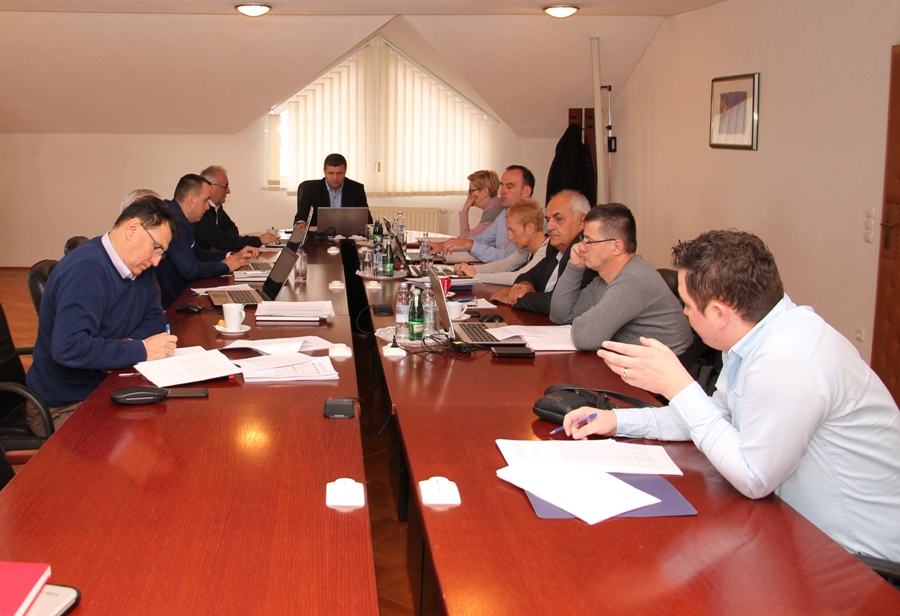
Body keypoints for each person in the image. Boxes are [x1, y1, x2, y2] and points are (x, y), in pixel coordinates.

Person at [563, 230, 900, 562]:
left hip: (857, 559)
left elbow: (754, 478)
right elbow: (715, 416)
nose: (684, 314)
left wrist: (678, 387)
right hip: (797, 529)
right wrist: (617, 421)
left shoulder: (787, 357)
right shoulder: (755, 336)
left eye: (687, 305)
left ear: (719, 315)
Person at [25, 195, 179, 435]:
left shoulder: (139, 267)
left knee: (171, 426)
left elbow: (155, 320)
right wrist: (138, 350)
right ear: (133, 228)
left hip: (106, 388)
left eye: (162, 253)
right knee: (145, 442)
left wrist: (122, 349)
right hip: (65, 405)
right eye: (156, 248)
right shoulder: (86, 270)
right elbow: (68, 347)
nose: (156, 261)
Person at [549, 203, 692, 353]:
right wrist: (575, 266)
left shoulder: (633, 280)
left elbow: (584, 337)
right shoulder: (604, 280)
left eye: (589, 241)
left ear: (617, 247)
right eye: (582, 239)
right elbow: (560, 315)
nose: (581, 247)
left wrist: (587, 321)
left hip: (668, 365)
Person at [156, 174, 256, 308]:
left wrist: (232, 256)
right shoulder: (172, 222)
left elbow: (197, 253)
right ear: (191, 200)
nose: (208, 207)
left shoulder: (181, 217)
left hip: (184, 293)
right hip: (175, 304)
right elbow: (191, 270)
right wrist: (226, 266)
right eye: (205, 201)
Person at [491, 190, 594, 314]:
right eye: (548, 220)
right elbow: (529, 275)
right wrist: (525, 285)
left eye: (558, 219)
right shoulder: (554, 248)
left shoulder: (589, 254)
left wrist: (518, 298)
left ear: (581, 222)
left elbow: (559, 302)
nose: (549, 227)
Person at [439, 165, 534, 263]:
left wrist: (469, 245)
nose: (502, 191)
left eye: (509, 187)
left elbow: (507, 259)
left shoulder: (531, 218)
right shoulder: (504, 213)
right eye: (502, 186)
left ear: (526, 191)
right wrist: (444, 245)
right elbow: (481, 239)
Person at [455, 198, 548, 286]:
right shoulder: (526, 249)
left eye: (513, 231)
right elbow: (504, 265)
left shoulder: (546, 252)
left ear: (530, 228)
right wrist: (469, 269)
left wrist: (477, 276)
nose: (509, 237)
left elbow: (519, 277)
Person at [193, 166, 279, 251]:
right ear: (209, 186)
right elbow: (219, 239)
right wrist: (258, 240)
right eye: (225, 186)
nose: (228, 191)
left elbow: (231, 228)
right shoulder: (200, 210)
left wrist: (223, 242)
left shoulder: (217, 207)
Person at [294, 153, 369, 227]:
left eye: (339, 173)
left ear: (345, 171)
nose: (335, 177)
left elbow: (367, 219)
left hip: (348, 233)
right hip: (319, 234)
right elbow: (302, 214)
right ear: (324, 172)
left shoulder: (356, 189)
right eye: (331, 173)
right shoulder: (311, 189)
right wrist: (301, 223)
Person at [457, 170, 502, 239]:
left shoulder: (493, 214)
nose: (468, 195)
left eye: (471, 190)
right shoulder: (496, 205)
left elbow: (465, 238)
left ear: (485, 192)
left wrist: (465, 209)